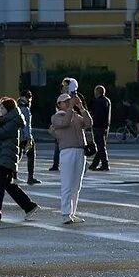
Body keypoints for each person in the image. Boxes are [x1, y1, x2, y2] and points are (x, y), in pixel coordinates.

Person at [0, 97, 39, 222]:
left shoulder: (13, 121)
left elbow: (0, 134)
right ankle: (29, 206)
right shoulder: (9, 119)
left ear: (8, 109)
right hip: (5, 156)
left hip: (7, 157)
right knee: (8, 185)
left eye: (2, 108)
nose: (0, 110)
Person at [50, 92, 93, 225]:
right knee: (67, 184)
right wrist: (70, 109)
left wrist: (81, 107)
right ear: (59, 104)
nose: (69, 103)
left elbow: (89, 123)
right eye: (65, 101)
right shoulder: (56, 117)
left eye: (70, 101)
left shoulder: (76, 115)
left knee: (76, 185)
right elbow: (65, 123)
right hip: (67, 152)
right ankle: (65, 213)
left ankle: (72, 213)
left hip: (80, 151)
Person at [49, 76, 79, 171]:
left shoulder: (75, 97)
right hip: (61, 123)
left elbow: (81, 110)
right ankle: (56, 164)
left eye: (66, 85)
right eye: (63, 85)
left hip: (72, 124)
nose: (64, 87)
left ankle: (78, 163)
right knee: (58, 143)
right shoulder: (60, 97)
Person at [18, 90, 41, 184]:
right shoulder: (25, 109)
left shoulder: (16, 106)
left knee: (16, 157)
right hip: (24, 137)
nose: (29, 100)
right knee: (31, 156)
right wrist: (29, 138)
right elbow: (26, 125)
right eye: (28, 97)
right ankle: (30, 177)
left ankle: (12, 176)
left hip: (18, 136)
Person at [89, 84, 112, 170]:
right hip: (105, 125)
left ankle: (105, 164)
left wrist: (91, 117)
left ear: (97, 92)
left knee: (100, 146)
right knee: (101, 145)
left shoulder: (98, 101)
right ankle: (95, 164)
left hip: (98, 125)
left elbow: (96, 114)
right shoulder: (107, 100)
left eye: (95, 91)